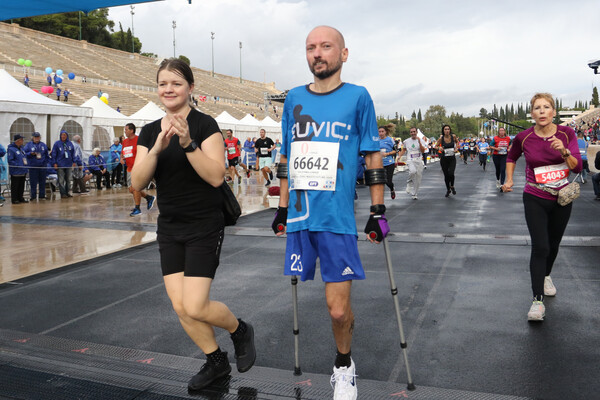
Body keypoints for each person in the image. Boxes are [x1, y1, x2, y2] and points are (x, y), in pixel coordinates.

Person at [272, 26, 386, 400]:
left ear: (343, 54)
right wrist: (282, 207)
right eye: (310, 48)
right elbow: (287, 156)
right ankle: (342, 362)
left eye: (325, 46)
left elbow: (372, 153)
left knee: (338, 311)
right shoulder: (293, 99)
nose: (317, 53)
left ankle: (343, 366)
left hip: (337, 218)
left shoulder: (358, 97)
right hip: (302, 217)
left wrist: (377, 208)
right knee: (319, 301)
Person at [131, 58, 256, 391]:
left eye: (176, 83)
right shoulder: (148, 131)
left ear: (190, 88)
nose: (168, 89)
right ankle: (216, 362)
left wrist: (187, 143)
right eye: (163, 84)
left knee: (196, 304)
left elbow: (216, 176)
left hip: (204, 223)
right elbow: (137, 181)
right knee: (180, 305)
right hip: (170, 226)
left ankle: (239, 330)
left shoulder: (205, 125)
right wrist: (156, 148)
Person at [502, 93, 582, 321]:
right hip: (535, 196)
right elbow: (511, 156)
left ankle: (546, 275)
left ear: (554, 112)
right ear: (532, 113)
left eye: (547, 107)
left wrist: (564, 152)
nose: (542, 111)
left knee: (554, 244)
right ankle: (537, 301)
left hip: (562, 199)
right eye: (537, 108)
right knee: (541, 247)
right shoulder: (524, 137)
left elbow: (577, 168)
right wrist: (509, 180)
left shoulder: (567, 134)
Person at [121, 123, 155, 216]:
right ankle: (149, 198)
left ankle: (137, 208)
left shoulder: (140, 139)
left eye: (126, 130)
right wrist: (121, 158)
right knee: (131, 189)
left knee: (135, 188)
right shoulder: (125, 141)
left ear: (132, 130)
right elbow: (123, 152)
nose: (125, 131)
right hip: (129, 168)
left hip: (138, 167)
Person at [398, 127, 426, 200]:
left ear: (416, 132)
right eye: (411, 132)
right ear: (410, 133)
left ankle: (415, 193)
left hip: (419, 160)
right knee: (412, 171)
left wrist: (419, 142)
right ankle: (409, 183)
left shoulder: (421, 140)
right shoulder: (406, 141)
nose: (413, 133)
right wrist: (399, 156)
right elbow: (403, 149)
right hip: (410, 160)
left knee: (418, 178)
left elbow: (423, 151)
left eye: (414, 132)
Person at [23, 132, 49, 200]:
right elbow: (24, 153)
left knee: (42, 182)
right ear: (33, 138)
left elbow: (47, 155)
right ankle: (33, 196)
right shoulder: (28, 145)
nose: (37, 138)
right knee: (33, 182)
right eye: (35, 137)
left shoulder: (43, 145)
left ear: (40, 137)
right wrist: (30, 153)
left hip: (42, 166)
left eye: (38, 137)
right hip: (33, 166)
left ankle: (42, 195)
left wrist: (45, 163)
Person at [51, 130, 77, 198]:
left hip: (68, 164)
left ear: (67, 136)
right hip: (60, 165)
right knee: (61, 180)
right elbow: (54, 154)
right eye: (62, 135)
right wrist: (54, 163)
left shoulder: (70, 143)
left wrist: (74, 161)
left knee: (68, 179)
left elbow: (73, 153)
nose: (63, 136)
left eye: (64, 135)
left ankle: (67, 191)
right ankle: (63, 193)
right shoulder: (57, 144)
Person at [436, 125, 458, 197]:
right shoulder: (441, 138)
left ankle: (452, 186)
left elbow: (457, 142)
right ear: (443, 130)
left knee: (451, 172)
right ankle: (448, 189)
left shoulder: (453, 136)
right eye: (445, 129)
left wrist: (456, 148)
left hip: (452, 158)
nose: (447, 131)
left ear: (450, 130)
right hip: (444, 159)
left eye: (448, 129)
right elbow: (435, 146)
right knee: (446, 175)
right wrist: (439, 148)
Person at [7, 134, 29, 204]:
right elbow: (10, 160)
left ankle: (20, 197)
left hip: (23, 170)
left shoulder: (22, 149)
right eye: (21, 139)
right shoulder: (11, 149)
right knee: (15, 185)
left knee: (21, 185)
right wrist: (18, 165)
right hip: (16, 171)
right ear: (18, 141)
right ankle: (14, 198)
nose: (23, 141)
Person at [378, 124, 397, 199]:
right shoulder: (376, 140)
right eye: (379, 132)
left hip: (389, 163)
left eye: (382, 131)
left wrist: (387, 153)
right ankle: (379, 197)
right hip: (380, 163)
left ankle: (392, 189)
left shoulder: (389, 140)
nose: (381, 133)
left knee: (388, 181)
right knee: (381, 180)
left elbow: (396, 150)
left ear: (385, 132)